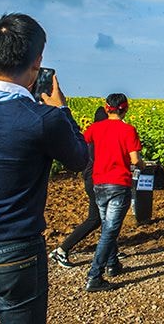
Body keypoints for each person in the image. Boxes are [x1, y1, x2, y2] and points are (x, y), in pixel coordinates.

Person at [0, 13, 88, 322]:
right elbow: (80, 159)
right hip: (14, 250)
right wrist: (62, 111)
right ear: (37, 61)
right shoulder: (43, 119)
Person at [84, 93, 145, 292]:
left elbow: (83, 142)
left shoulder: (95, 128)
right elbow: (135, 160)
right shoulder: (128, 130)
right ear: (125, 108)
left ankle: (112, 264)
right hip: (119, 184)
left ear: (106, 107)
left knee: (107, 228)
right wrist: (143, 165)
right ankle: (94, 275)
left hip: (98, 183)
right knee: (110, 231)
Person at [50, 106, 108, 268]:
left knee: (103, 217)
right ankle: (62, 250)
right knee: (95, 219)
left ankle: (111, 252)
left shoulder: (89, 134)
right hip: (96, 179)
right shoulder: (102, 135)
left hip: (90, 178)